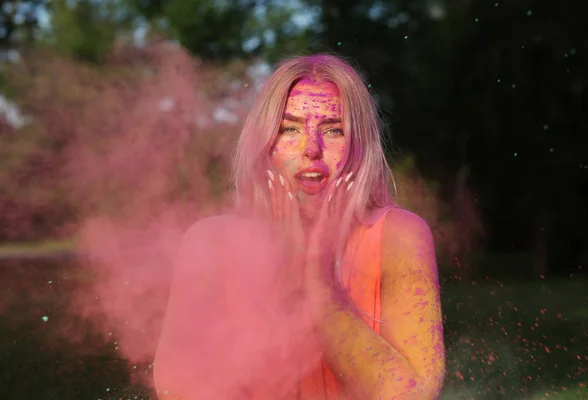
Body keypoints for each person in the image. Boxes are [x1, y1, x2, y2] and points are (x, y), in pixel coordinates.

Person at [153, 54, 446, 400]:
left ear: (359, 145)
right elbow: (178, 389)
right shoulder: (210, 242)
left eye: (334, 130)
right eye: (289, 129)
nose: (311, 149)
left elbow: (414, 395)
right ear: (263, 145)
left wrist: (320, 284)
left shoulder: (399, 236)